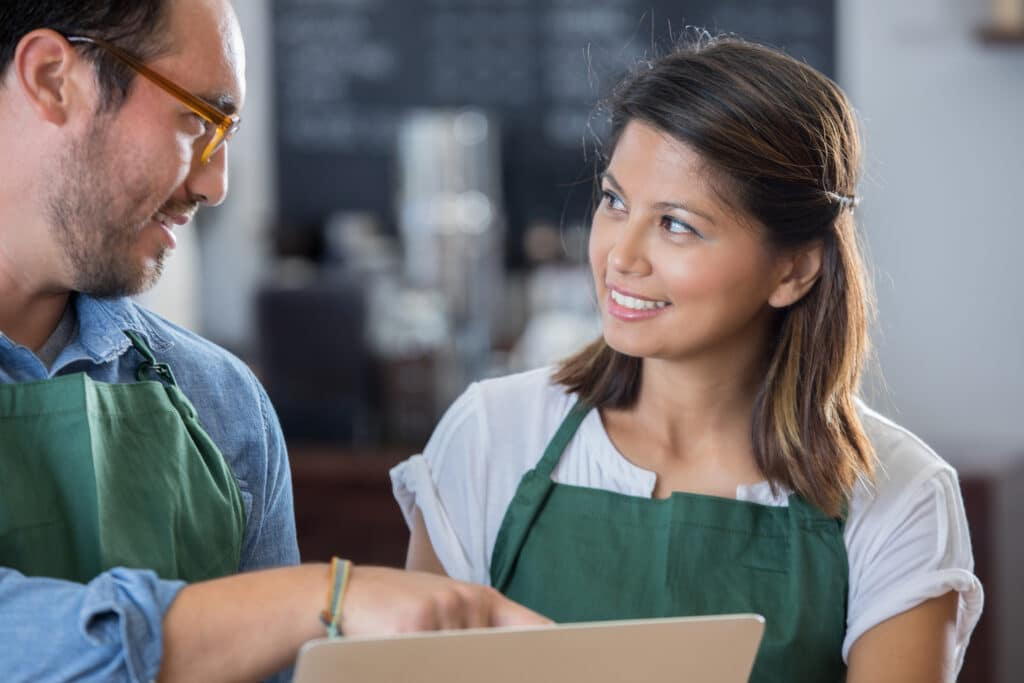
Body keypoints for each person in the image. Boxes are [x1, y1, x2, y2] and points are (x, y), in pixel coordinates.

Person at [393, 35, 984, 682]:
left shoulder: (898, 494)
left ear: (793, 270)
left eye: (677, 223)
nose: (622, 254)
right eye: (615, 201)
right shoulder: (491, 435)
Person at [0, 2, 547, 682]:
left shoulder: (222, 402)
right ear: (54, 79)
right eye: (197, 119)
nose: (216, 184)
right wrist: (321, 598)